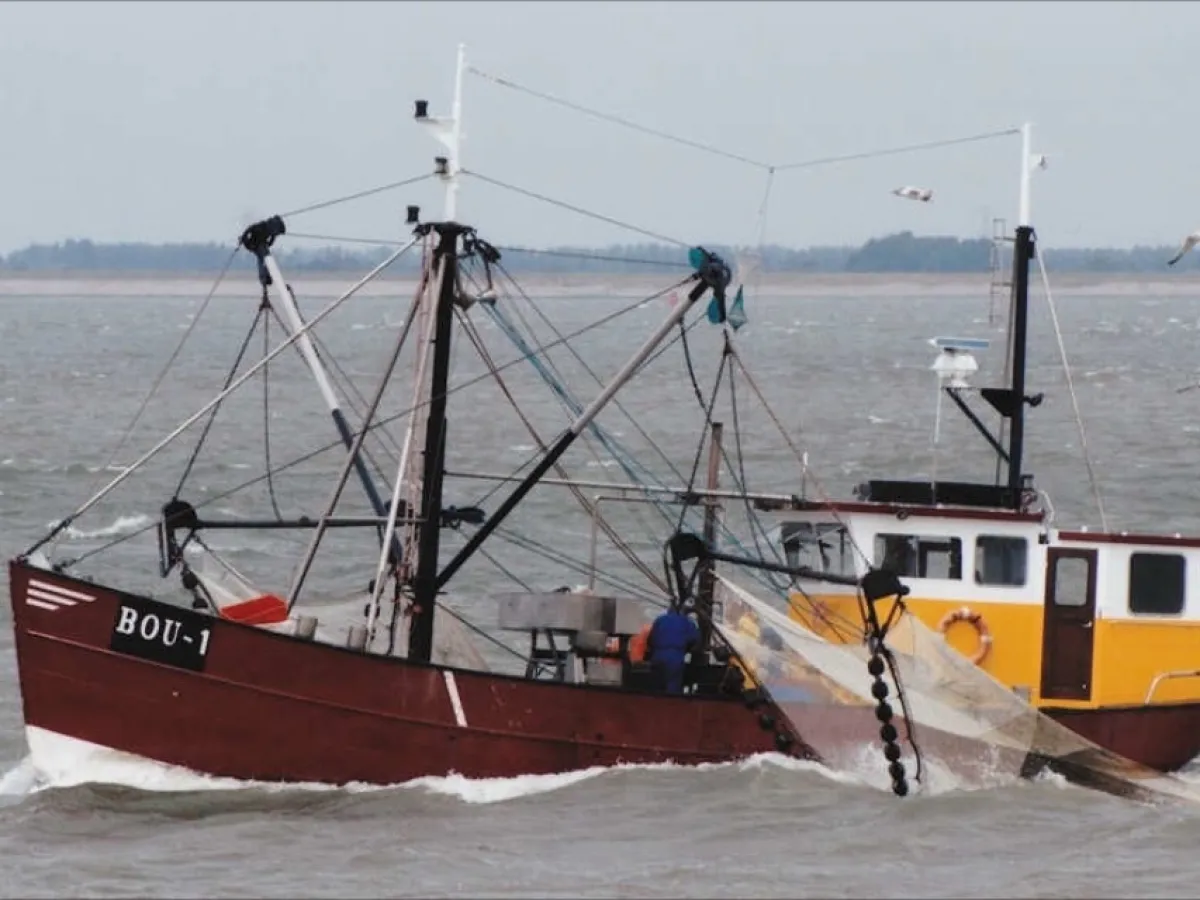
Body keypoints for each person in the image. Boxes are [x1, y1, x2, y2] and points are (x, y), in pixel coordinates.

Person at [646, 605, 700, 694]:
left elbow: (650, 640)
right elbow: (694, 639)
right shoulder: (687, 622)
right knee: (672, 689)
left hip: (657, 656)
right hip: (675, 657)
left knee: (656, 688)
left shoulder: (659, 620)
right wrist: (686, 650)